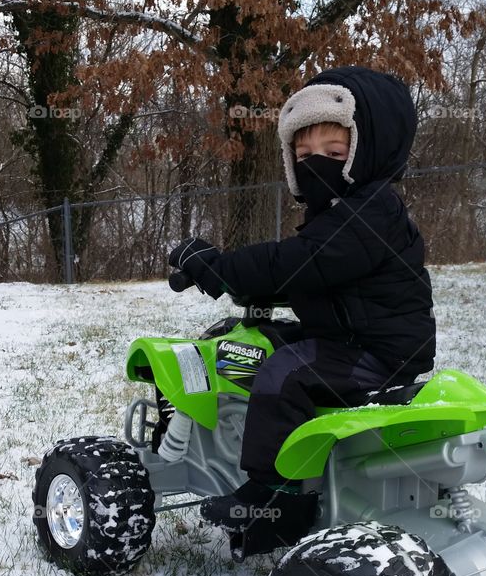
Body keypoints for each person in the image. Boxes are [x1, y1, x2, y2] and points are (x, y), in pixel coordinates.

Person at [167, 64, 436, 542]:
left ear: (367, 152)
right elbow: (309, 277)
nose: (317, 163)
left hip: (377, 354)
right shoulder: (339, 213)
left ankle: (276, 495)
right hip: (351, 336)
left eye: (334, 152)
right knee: (262, 345)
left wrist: (219, 267)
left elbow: (300, 263)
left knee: (283, 374)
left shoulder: (373, 209)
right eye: (303, 152)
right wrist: (245, 288)